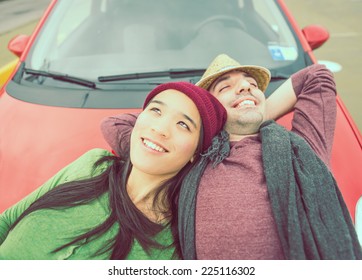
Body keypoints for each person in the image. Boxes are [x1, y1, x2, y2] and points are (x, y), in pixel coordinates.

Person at [100, 54, 362, 260]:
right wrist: (211, 123)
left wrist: (253, 113)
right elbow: (115, 125)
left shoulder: (302, 150)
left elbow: (316, 76)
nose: (245, 89)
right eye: (226, 87)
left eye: (251, 86)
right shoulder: (191, 154)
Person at [0, 81, 227, 260]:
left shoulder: (173, 247)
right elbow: (8, 220)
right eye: (156, 110)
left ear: (195, 154)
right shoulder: (92, 164)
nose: (159, 128)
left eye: (183, 124)